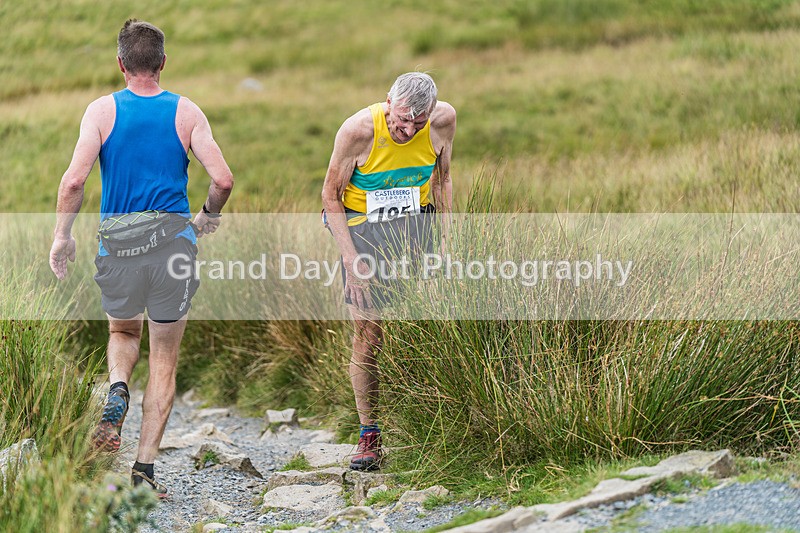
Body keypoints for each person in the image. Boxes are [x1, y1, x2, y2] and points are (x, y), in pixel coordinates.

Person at [48, 19, 233, 496]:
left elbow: (73, 181)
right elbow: (223, 179)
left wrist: (61, 237)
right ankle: (144, 473)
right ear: (163, 63)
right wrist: (208, 216)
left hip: (119, 249)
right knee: (164, 360)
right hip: (174, 250)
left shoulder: (101, 111)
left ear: (121, 63)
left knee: (122, 331)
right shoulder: (187, 112)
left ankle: (116, 392)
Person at [321, 72, 456, 470]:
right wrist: (352, 261)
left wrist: (447, 242)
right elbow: (330, 196)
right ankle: (369, 436)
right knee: (370, 335)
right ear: (388, 103)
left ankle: (439, 422)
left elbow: (443, 178)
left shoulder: (443, 121)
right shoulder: (359, 130)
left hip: (416, 225)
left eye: (418, 122)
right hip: (365, 231)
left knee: (435, 322)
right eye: (401, 120)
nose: (407, 129)